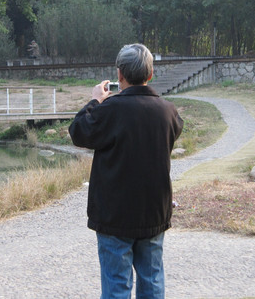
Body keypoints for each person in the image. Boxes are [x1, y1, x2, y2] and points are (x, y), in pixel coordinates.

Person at [68, 43, 183, 299]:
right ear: (150, 74)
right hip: (153, 210)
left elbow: (78, 131)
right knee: (152, 282)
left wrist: (96, 99)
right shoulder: (168, 111)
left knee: (117, 286)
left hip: (114, 214)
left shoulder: (109, 110)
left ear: (119, 75)